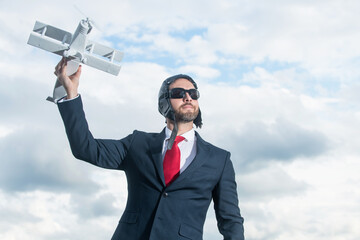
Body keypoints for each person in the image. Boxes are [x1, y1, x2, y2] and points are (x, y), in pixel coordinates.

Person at [54, 57, 245, 240]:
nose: (188, 97)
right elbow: (85, 148)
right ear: (164, 103)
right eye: (179, 93)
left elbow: (231, 221)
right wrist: (71, 94)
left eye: (193, 94)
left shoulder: (219, 160)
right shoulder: (137, 144)